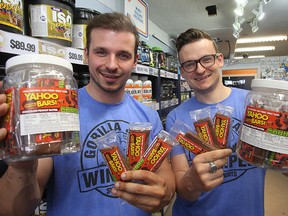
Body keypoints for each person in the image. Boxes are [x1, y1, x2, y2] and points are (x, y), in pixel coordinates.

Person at [0, 12, 175, 216]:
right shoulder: (58, 111)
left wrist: (165, 193)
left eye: (123, 55)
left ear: (135, 61)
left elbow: (167, 180)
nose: (111, 64)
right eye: (101, 52)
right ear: (86, 54)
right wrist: (21, 167)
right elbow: (15, 210)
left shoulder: (148, 116)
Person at [165, 28, 266, 216]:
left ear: (219, 59)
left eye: (206, 59)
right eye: (189, 64)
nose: (200, 69)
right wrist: (192, 182)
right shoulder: (175, 118)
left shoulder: (253, 103)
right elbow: (181, 183)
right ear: (182, 72)